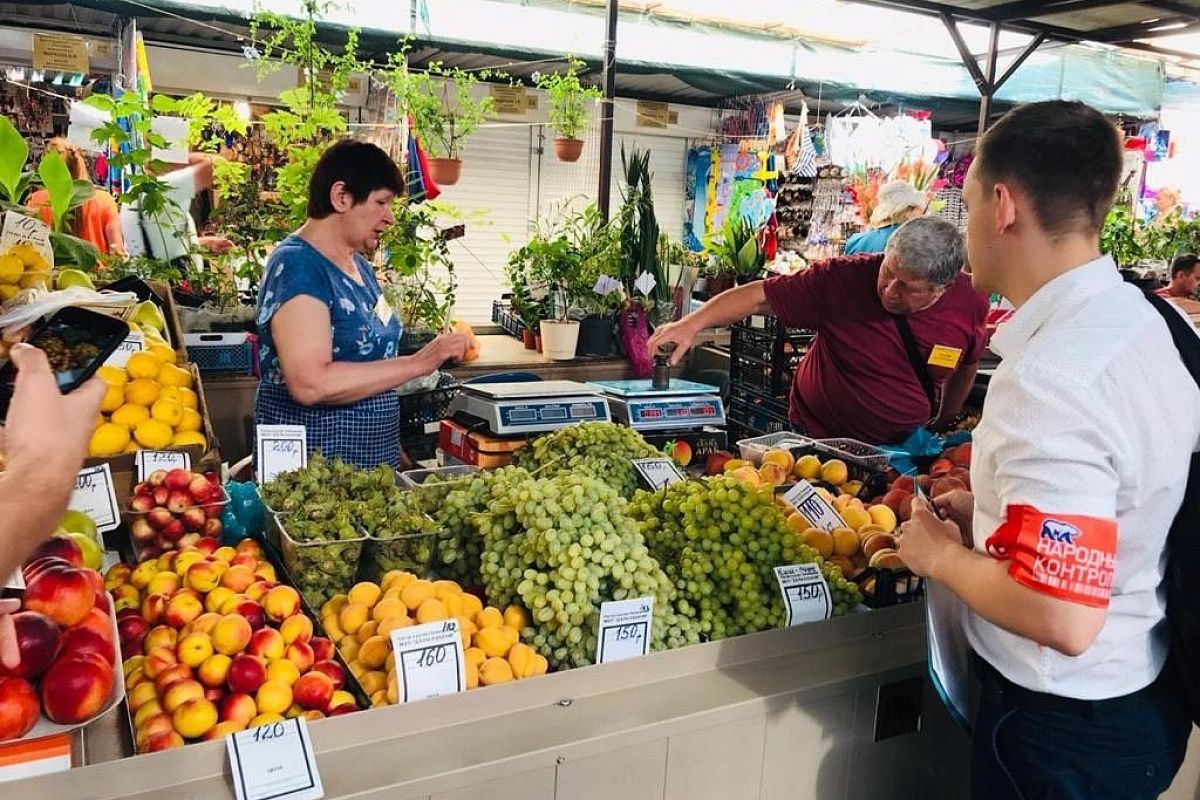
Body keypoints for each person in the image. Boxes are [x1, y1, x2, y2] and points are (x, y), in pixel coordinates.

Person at [898, 101, 1199, 799]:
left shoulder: (1051, 378)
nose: (965, 225)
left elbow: (1062, 615)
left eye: (967, 202)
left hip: (1061, 732)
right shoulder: (1147, 322)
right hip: (1138, 695)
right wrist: (993, 510)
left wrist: (939, 556)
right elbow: (1121, 501)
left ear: (1003, 206)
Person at [649, 216, 987, 444]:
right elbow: (756, 298)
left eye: (907, 287)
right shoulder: (841, 279)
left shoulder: (970, 302)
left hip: (902, 448)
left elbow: (968, 362)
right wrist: (690, 324)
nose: (888, 289)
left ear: (941, 288)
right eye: (888, 272)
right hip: (816, 438)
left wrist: (946, 419)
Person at [255, 140, 468, 470]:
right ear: (341, 197)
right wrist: (419, 362)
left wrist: (393, 448)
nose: (390, 218)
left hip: (371, 463)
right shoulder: (299, 266)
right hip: (317, 474)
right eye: (381, 202)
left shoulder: (361, 268)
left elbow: (371, 363)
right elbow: (311, 383)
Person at [120, 153, 234, 269]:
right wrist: (183, 159)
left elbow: (161, 246)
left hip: (153, 283)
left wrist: (205, 243)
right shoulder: (163, 189)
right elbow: (217, 166)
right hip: (170, 283)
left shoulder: (134, 193)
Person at [26, 138, 126, 257]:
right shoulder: (104, 200)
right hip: (98, 274)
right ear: (80, 163)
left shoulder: (36, 200)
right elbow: (117, 251)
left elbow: (29, 247)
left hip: (52, 274)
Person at [843, 180, 926, 255]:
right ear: (907, 210)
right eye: (917, 209)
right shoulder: (914, 245)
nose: (921, 214)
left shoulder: (855, 242)